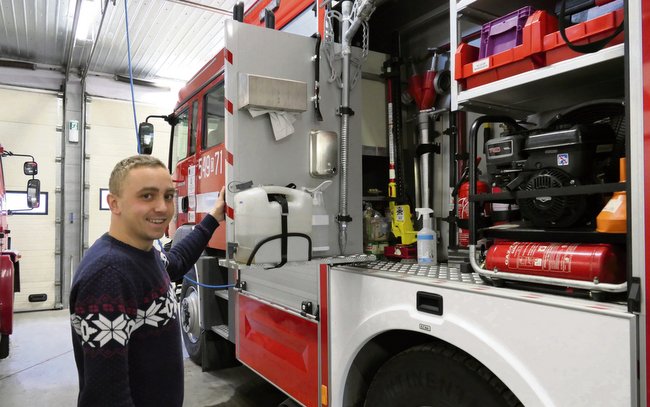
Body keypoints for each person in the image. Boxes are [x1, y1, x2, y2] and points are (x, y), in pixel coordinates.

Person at [69, 155, 225, 406]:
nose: (163, 207)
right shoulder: (109, 275)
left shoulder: (145, 251)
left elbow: (175, 262)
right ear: (115, 203)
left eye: (168, 196)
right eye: (147, 196)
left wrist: (213, 217)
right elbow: (107, 397)